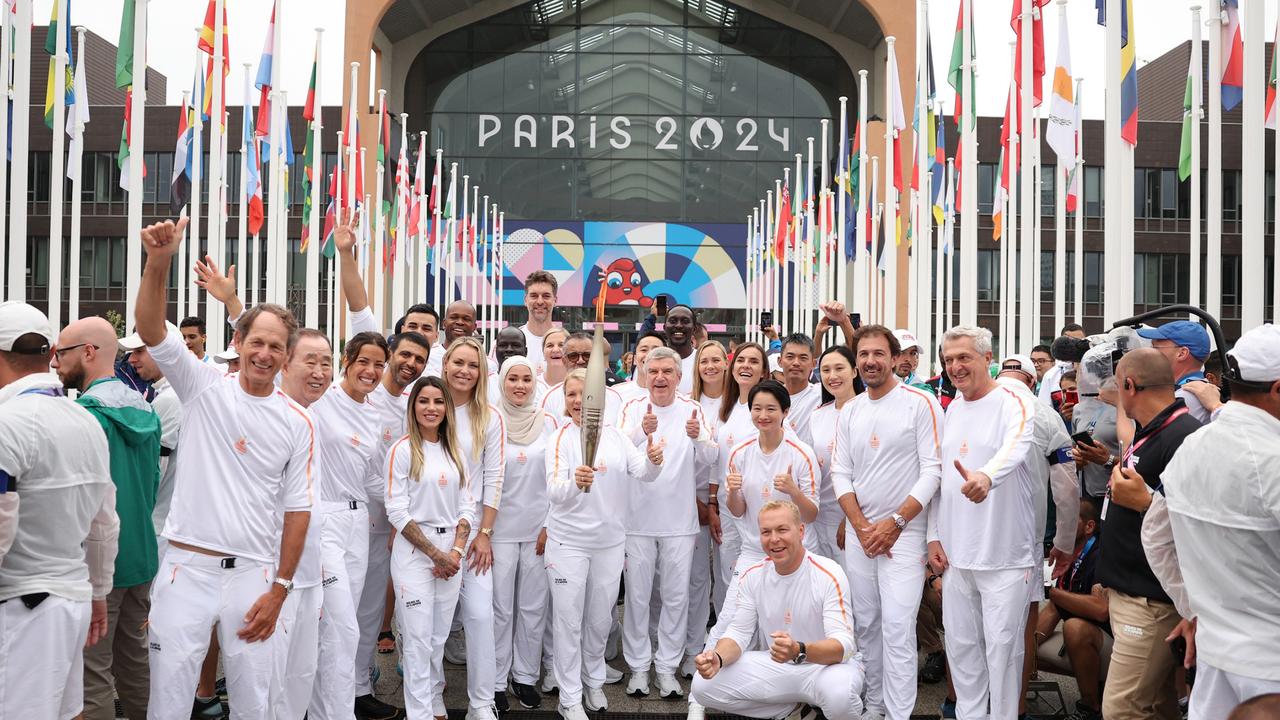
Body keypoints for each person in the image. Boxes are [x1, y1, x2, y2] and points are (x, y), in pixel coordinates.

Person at [134, 218, 315, 718]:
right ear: (238, 342)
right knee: (168, 700)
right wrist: (158, 264)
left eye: (276, 346)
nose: (265, 353)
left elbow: (298, 511)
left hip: (253, 578)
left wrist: (280, 588)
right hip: (184, 571)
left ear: (286, 356)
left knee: (255, 703)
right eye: (257, 342)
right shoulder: (202, 385)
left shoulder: (298, 421)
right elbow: (151, 329)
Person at [1143, 324, 1280, 720]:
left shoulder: (1192, 445)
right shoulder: (1271, 458)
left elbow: (1154, 536)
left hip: (1215, 654)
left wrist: (1195, 609)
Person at [0, 301, 119, 720]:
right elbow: (105, 523)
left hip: (22, 602)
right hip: (72, 597)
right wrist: (99, 590)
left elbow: (1, 521)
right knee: (69, 712)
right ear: (51, 354)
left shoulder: (7, 422)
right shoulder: (85, 419)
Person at [52, 317, 162, 720]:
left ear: (88, 352)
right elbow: (152, 483)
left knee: (91, 673)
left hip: (97, 561)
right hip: (142, 555)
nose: (53, 362)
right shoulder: (148, 410)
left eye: (60, 352)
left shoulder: (84, 417)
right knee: (135, 662)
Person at [831, 325, 942, 720]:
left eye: (879, 354)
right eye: (863, 354)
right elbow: (841, 473)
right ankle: (873, 706)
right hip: (864, 536)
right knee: (867, 626)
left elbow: (933, 471)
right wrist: (861, 525)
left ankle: (897, 714)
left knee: (897, 628)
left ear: (896, 359)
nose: (870, 361)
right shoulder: (851, 411)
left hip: (905, 536)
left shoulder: (920, 402)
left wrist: (894, 522)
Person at [546, 369, 664, 720]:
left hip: (610, 543)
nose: (581, 402)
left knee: (600, 619)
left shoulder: (615, 437)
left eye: (588, 395)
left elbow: (641, 471)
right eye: (573, 395)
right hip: (568, 542)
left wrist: (655, 462)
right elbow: (554, 491)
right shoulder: (559, 438)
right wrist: (573, 484)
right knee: (568, 620)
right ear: (565, 400)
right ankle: (569, 697)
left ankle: (592, 680)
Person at [931, 325, 1036, 720]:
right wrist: (933, 537)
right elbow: (940, 479)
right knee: (962, 649)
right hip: (958, 556)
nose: (955, 367)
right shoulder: (952, 408)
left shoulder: (1014, 400)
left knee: (1003, 652)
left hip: (1005, 555)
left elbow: (1017, 444)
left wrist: (987, 476)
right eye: (949, 359)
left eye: (964, 358)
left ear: (987, 358)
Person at [1093, 348, 1200, 720]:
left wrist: (1145, 502)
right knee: (1155, 705)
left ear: (1128, 385)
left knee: (1122, 709)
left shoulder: (1185, 436)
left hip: (1151, 602)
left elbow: (1198, 524)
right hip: (1135, 592)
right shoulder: (1153, 428)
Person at [690, 501, 865, 720]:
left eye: (782, 529)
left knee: (840, 697)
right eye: (766, 532)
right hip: (779, 665)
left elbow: (844, 646)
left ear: (800, 531)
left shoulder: (829, 572)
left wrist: (799, 649)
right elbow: (738, 633)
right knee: (702, 686)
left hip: (826, 668)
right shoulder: (753, 575)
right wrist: (718, 657)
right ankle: (796, 712)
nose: (774, 539)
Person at [618, 347, 716, 699]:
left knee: (676, 598)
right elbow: (616, 453)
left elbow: (711, 456)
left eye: (666, 372)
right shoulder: (631, 408)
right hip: (637, 521)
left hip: (679, 522)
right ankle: (640, 669)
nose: (659, 378)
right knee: (639, 599)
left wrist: (698, 438)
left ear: (678, 376)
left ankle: (668, 669)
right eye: (653, 371)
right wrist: (638, 432)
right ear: (643, 374)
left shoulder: (694, 409)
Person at [703, 381, 819, 658]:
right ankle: (705, 682)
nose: (763, 415)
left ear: (785, 412)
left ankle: (796, 688)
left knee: (792, 620)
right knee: (732, 615)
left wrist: (793, 490)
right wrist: (732, 492)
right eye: (757, 409)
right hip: (754, 549)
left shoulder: (801, 453)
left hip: (795, 553)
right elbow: (738, 510)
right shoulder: (740, 452)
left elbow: (812, 514)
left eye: (771, 409)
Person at [307, 330, 390, 720]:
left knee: (344, 626)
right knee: (341, 627)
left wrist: (412, 498)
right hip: (323, 519)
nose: (371, 371)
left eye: (379, 364)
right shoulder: (321, 399)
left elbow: (375, 477)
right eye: (364, 362)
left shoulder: (375, 414)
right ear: (347, 360)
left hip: (360, 523)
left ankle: (323, 709)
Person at [385, 376, 477, 720]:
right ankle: (419, 712)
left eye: (438, 402)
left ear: (446, 408)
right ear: (414, 407)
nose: (431, 408)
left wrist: (454, 551)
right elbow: (395, 509)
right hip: (414, 552)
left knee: (438, 637)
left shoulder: (456, 452)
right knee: (418, 638)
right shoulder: (403, 450)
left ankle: (434, 698)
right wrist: (433, 553)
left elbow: (469, 505)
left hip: (451, 551)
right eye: (424, 401)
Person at [995, 354, 1080, 720]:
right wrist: (1064, 542)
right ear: (1032, 382)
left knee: (966, 635)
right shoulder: (1047, 416)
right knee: (1021, 628)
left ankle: (957, 703)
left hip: (966, 541)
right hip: (1023, 541)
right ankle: (1015, 707)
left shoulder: (969, 406)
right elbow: (1066, 486)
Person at [265, 328, 336, 720]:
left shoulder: (311, 417)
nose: (320, 371)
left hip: (309, 573)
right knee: (268, 680)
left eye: (326, 362)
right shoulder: (269, 415)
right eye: (310, 360)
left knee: (299, 678)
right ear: (285, 363)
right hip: (272, 576)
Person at [438, 338, 507, 720]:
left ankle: (481, 702)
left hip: (474, 531)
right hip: (429, 528)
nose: (465, 370)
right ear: (445, 364)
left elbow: (495, 477)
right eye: (458, 362)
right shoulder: (426, 404)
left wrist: (486, 532)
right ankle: (431, 696)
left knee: (480, 615)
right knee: (433, 624)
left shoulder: (489, 416)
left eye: (473, 365)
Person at [490, 357, 558, 710]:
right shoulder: (490, 419)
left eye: (526, 379)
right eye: (512, 378)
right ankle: (497, 680)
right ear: (502, 381)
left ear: (535, 383)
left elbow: (557, 476)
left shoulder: (548, 422)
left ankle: (525, 677)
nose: (519, 385)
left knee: (533, 607)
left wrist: (549, 524)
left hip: (538, 531)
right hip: (499, 530)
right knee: (500, 609)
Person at [1035, 498, 1110, 720]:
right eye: (1060, 519)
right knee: (1023, 646)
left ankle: (1090, 708)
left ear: (1089, 527)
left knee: (1074, 628)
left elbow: (1101, 609)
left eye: (1069, 520)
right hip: (1090, 643)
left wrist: (1054, 592)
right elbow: (1052, 610)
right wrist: (1024, 651)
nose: (1061, 524)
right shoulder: (1070, 554)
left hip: (1118, 645)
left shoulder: (1099, 555)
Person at [684, 340, 729, 677]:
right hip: (689, 502)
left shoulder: (738, 403)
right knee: (697, 579)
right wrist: (699, 502)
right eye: (704, 361)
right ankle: (694, 647)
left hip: (728, 503)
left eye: (716, 360)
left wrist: (713, 503)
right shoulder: (689, 404)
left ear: (726, 364)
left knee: (727, 579)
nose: (711, 366)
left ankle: (726, 646)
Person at [807, 344, 859, 560]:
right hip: (819, 515)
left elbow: (867, 472)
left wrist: (849, 519)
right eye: (826, 370)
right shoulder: (817, 415)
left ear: (855, 371)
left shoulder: (864, 410)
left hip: (852, 518)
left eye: (840, 368)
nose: (832, 376)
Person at [1136, 320, 1213, 422]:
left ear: (1182, 353)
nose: (1149, 353)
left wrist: (1120, 401)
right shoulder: (1188, 390)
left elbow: (1150, 437)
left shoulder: (1185, 397)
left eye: (1155, 347)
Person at [540, 332, 623, 424]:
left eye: (587, 355)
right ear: (564, 360)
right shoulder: (550, 398)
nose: (580, 360)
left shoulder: (614, 397)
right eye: (573, 356)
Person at [777, 334, 820, 445]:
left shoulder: (822, 395)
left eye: (803, 358)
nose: (796, 363)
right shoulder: (770, 398)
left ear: (813, 364)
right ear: (780, 361)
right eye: (790, 357)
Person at [520, 271, 558, 375]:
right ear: (525, 300)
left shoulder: (567, 343)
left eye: (546, 296)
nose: (540, 302)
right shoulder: (508, 342)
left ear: (555, 300)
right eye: (534, 296)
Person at [613, 332, 666, 405]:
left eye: (656, 350)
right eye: (644, 350)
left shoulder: (674, 397)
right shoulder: (616, 393)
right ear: (634, 359)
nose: (649, 355)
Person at [663, 305, 698, 394]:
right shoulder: (653, 362)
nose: (678, 325)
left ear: (694, 329)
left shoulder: (702, 361)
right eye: (673, 321)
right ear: (664, 327)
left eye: (685, 321)